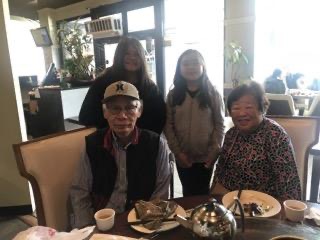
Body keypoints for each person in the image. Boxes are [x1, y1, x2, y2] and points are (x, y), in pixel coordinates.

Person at [70, 81, 171, 228]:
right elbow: (79, 192)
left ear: (140, 110)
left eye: (130, 108)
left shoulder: (157, 144)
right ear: (105, 112)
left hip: (139, 222)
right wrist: (87, 229)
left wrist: (147, 225)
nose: (122, 116)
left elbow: (160, 194)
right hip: (100, 222)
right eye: (114, 109)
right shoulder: (92, 144)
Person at [212, 81, 301, 201]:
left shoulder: (275, 135)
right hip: (228, 198)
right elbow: (220, 170)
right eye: (236, 108)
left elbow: (288, 184)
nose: (242, 113)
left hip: (262, 204)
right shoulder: (232, 134)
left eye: (248, 107)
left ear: (261, 108)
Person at [164, 49, 224, 197]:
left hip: (206, 157)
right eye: (186, 64)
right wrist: (177, 152)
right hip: (183, 155)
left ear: (203, 66)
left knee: (203, 192)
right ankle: (189, 219)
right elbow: (168, 125)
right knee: (188, 192)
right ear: (179, 68)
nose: (191, 67)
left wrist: (214, 150)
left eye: (195, 63)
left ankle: (202, 219)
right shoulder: (173, 95)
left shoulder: (213, 93)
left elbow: (219, 124)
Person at [79, 37, 166, 134]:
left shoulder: (150, 87)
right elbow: (86, 116)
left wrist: (141, 138)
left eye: (136, 54)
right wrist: (115, 133)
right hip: (109, 142)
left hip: (142, 143)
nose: (132, 57)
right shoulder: (102, 82)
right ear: (119, 56)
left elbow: (159, 118)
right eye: (127, 53)